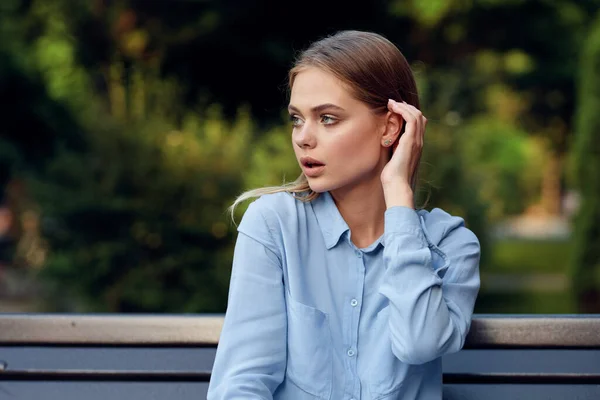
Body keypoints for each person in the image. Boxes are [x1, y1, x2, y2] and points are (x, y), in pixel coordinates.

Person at [207, 30, 480, 400]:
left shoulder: (451, 244)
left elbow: (420, 344)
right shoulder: (274, 226)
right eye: (297, 119)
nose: (304, 137)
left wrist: (399, 197)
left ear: (390, 126)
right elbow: (242, 384)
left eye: (328, 118)